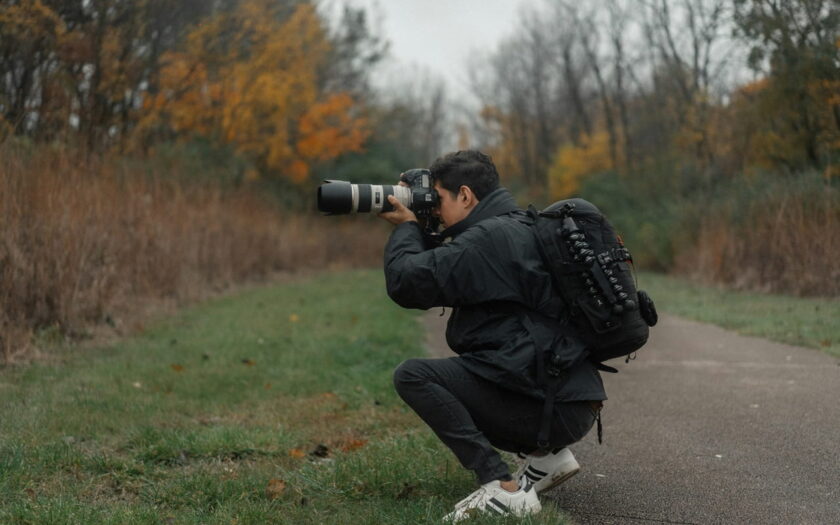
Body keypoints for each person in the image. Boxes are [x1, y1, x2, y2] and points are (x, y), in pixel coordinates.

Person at [377, 150, 606, 521]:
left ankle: (501, 488)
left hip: (550, 403)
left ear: (465, 195)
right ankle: (546, 459)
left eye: (438, 199)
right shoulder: (519, 226)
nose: (433, 210)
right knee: (483, 366)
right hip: (573, 399)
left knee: (414, 376)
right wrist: (420, 226)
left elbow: (408, 282)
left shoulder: (487, 240)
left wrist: (406, 228)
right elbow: (453, 266)